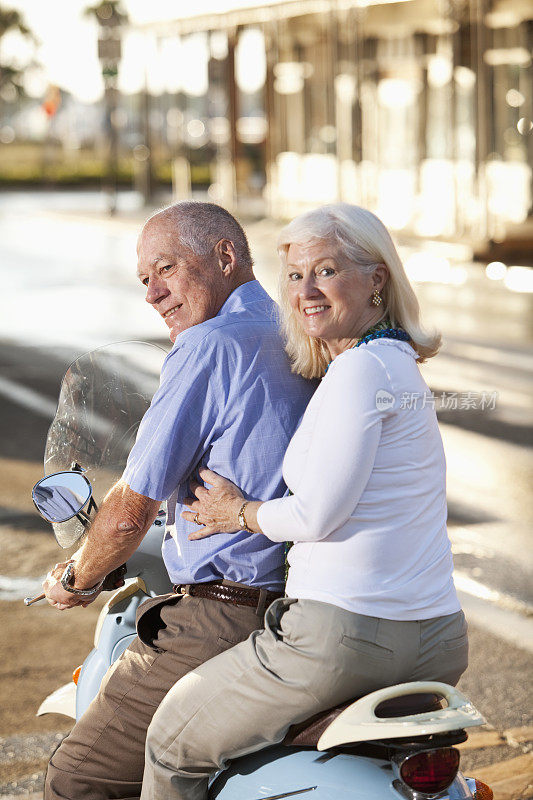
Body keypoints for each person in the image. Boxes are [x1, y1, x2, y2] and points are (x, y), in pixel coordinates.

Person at [139, 203, 469, 800]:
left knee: (171, 738)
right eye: (294, 276)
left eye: (326, 271)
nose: (306, 290)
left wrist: (235, 513)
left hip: (346, 635)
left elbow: (317, 513)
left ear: (377, 279)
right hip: (437, 633)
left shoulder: (358, 372)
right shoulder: (400, 368)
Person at [42, 201, 315, 800]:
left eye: (166, 269)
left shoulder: (210, 346)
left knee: (75, 778)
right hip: (301, 602)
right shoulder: (297, 331)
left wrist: (76, 576)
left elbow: (128, 510)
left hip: (223, 615)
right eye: (144, 280)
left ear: (224, 257)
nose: (153, 295)